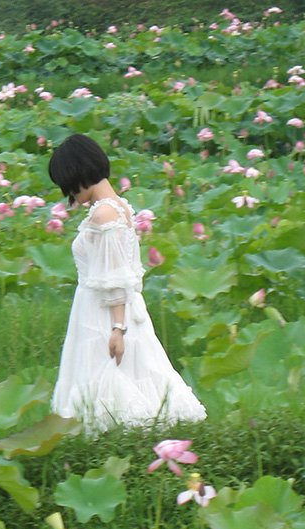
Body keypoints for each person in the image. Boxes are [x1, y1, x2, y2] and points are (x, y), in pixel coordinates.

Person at [48, 133, 207, 438]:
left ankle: (111, 439)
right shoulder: (121, 207)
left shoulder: (104, 214)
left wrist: (117, 329)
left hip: (104, 310)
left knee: (106, 375)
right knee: (133, 373)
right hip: (120, 306)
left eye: (67, 185)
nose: (68, 195)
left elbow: (115, 275)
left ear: (78, 174)